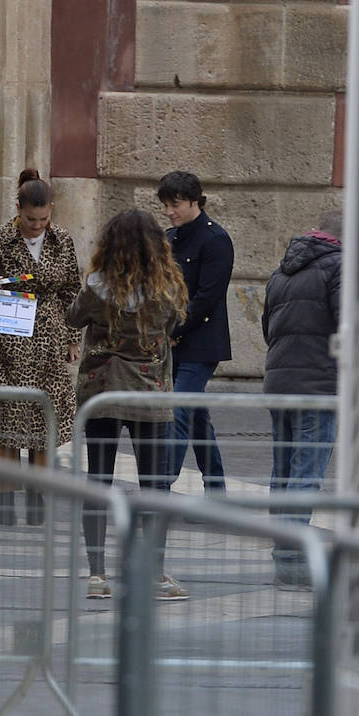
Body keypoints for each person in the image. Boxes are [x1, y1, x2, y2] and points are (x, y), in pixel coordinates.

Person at [67, 209, 191, 601]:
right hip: (149, 392)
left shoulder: (96, 286)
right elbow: (170, 327)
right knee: (153, 486)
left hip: (102, 390)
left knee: (98, 481)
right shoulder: (167, 288)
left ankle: (97, 574)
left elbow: (73, 319)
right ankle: (153, 573)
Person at [0, 169, 82, 527]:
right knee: (7, 416)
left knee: (43, 415)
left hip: (49, 341)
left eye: (43, 220)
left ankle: (37, 492)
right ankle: (5, 493)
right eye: (31, 220)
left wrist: (72, 337)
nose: (37, 226)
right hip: (5, 340)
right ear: (18, 209)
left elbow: (72, 290)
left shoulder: (62, 240)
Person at [262, 209, 342, 589]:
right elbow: (347, 326)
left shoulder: (282, 271)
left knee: (283, 473)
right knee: (306, 475)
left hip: (280, 381)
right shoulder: (338, 267)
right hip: (318, 384)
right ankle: (293, 561)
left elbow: (268, 328)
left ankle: (284, 556)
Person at [157, 171, 235, 494]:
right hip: (172, 341)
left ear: (194, 201)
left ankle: (160, 485)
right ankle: (216, 488)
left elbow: (207, 297)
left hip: (201, 344)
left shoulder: (216, 239)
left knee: (178, 410)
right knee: (197, 416)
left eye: (175, 205)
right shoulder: (169, 238)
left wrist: (175, 329)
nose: (169, 212)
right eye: (165, 205)